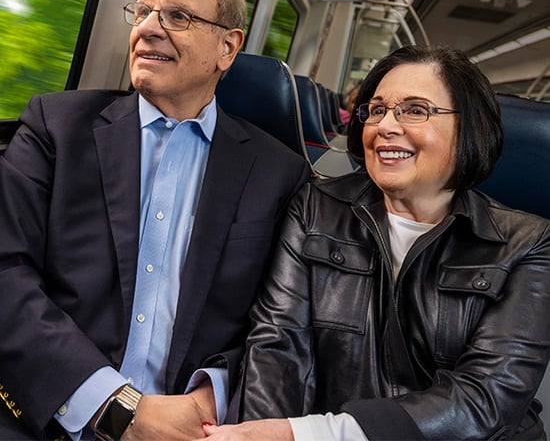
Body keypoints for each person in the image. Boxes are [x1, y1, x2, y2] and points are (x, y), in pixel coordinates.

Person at [0, 0, 311, 440]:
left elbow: (280, 322)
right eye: (142, 11)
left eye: (177, 16)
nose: (147, 29)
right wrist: (116, 407)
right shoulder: (56, 128)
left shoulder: (279, 173)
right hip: (45, 413)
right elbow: (5, 274)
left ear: (227, 48)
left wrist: (216, 393)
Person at [194, 45, 550, 441]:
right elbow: (278, 345)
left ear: (470, 128)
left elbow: (485, 398)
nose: (385, 126)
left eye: (415, 110)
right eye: (376, 110)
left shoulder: (528, 243)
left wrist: (303, 435)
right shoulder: (315, 208)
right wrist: (257, 434)